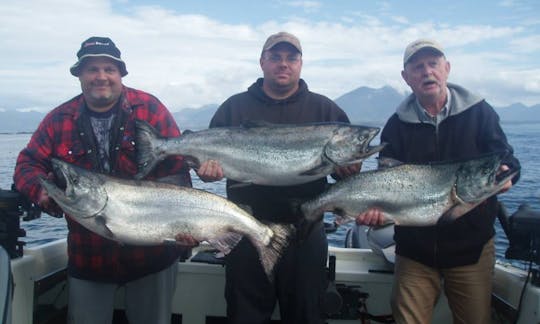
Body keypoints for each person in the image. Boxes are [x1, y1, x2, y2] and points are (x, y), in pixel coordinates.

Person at [13, 36, 192, 324]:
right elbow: (27, 163)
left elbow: (179, 169)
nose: (101, 77)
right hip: (89, 257)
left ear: (121, 73)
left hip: (154, 256)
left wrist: (186, 225)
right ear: (79, 75)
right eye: (92, 69)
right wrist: (42, 193)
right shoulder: (59, 119)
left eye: (109, 69)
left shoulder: (150, 108)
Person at [196, 31, 359, 324]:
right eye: (275, 57)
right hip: (244, 230)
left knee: (306, 315)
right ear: (262, 62)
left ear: (300, 63)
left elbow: (347, 174)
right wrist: (206, 173)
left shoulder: (326, 110)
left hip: (305, 234)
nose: (283, 64)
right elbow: (206, 170)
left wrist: (350, 168)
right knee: (244, 315)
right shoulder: (233, 107)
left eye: (291, 58)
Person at [356, 39, 521, 324]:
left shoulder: (480, 112)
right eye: (417, 67)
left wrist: (507, 176)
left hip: (472, 249)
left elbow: (508, 162)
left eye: (433, 64)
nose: (427, 72)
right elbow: (385, 179)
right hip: (413, 252)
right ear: (406, 78)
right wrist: (375, 214)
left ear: (447, 69)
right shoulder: (396, 125)